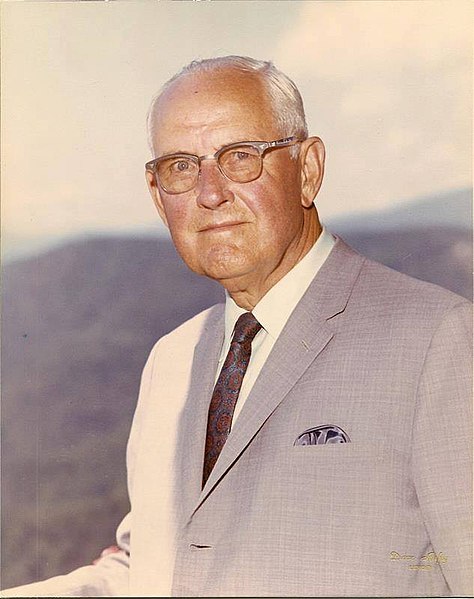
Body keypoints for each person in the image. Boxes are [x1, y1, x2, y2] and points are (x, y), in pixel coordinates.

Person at [2, 55, 472, 598]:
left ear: (310, 170)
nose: (209, 192)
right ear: (158, 196)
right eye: (181, 166)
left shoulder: (438, 341)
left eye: (240, 156)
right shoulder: (171, 361)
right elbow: (161, 565)